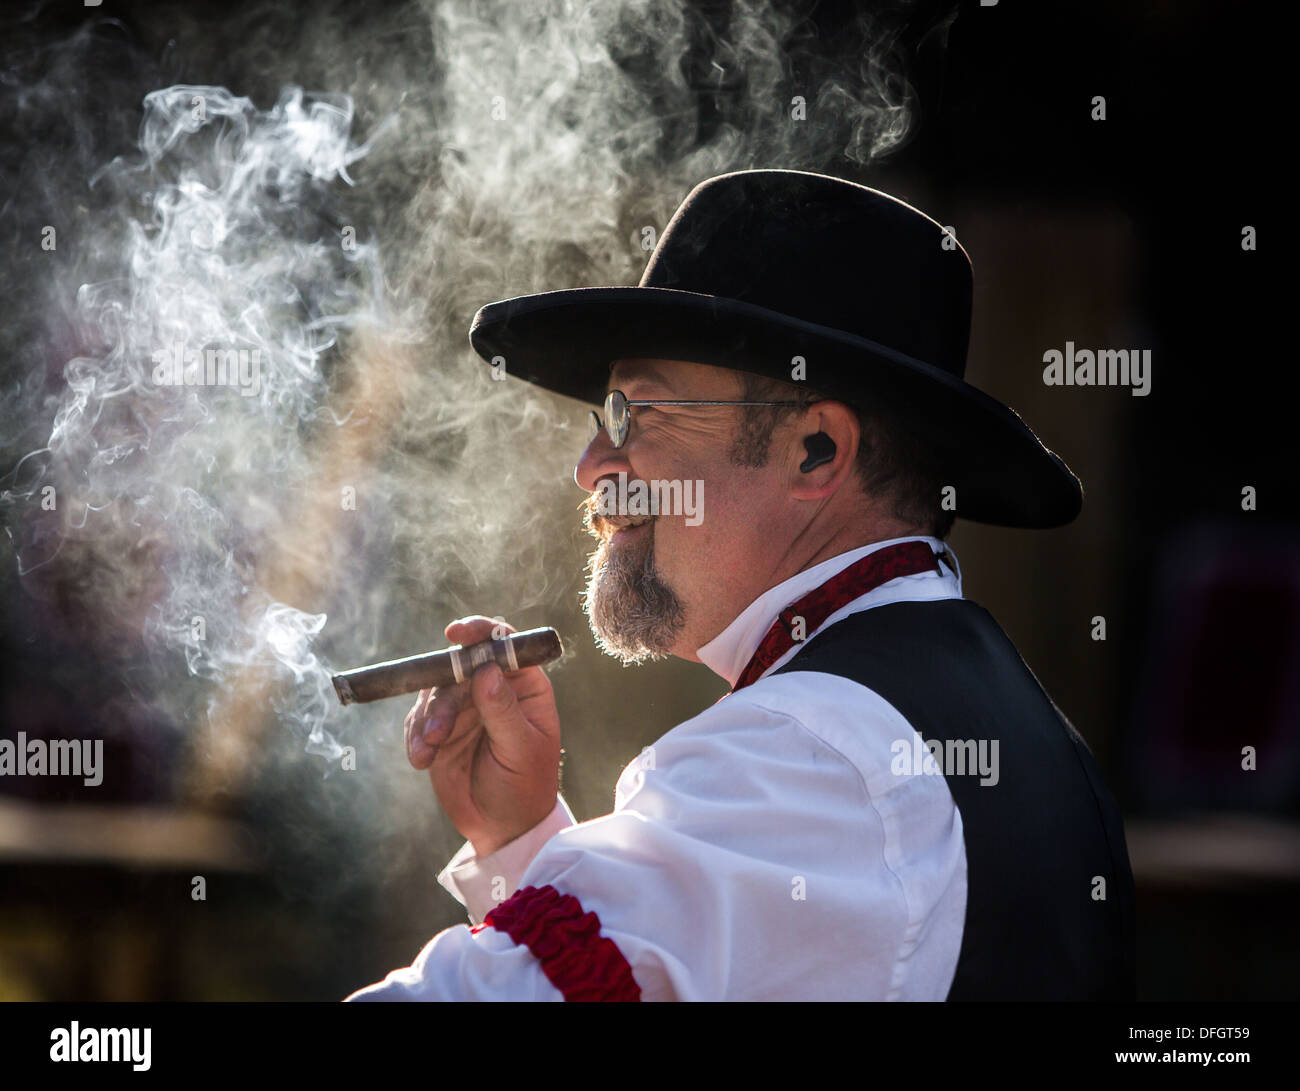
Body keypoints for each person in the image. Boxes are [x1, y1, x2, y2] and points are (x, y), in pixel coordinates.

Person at [346, 169, 1136, 1001]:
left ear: (816, 451)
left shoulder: (815, 751)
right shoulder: (967, 724)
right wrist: (520, 840)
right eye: (598, 418)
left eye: (633, 414)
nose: (590, 471)